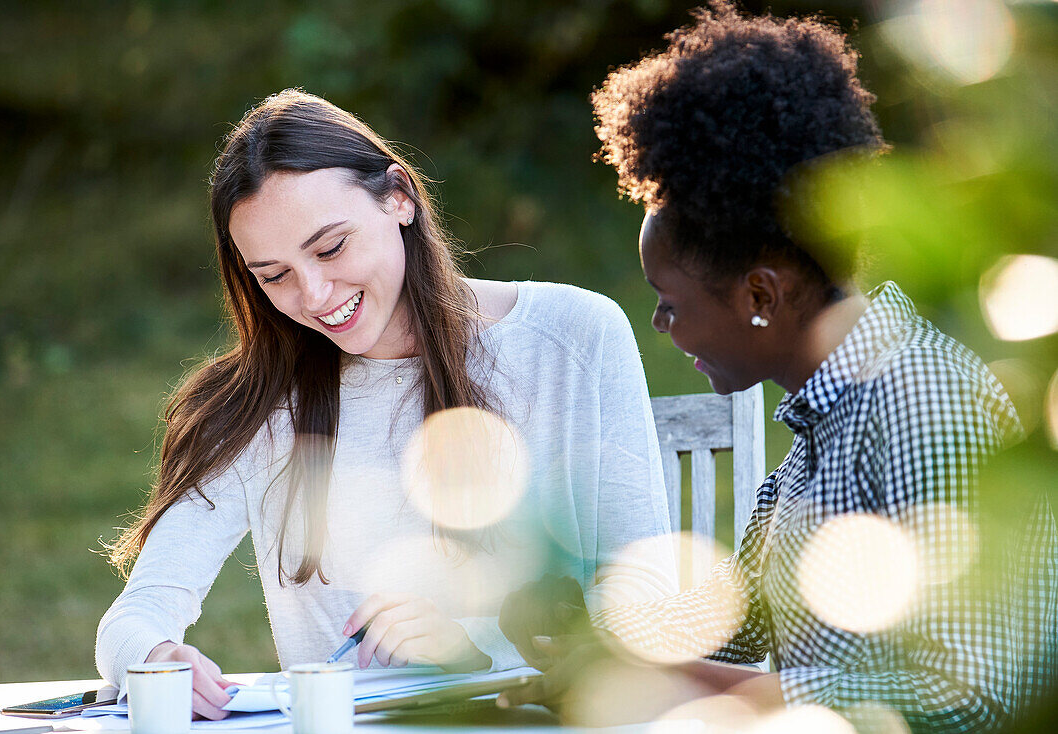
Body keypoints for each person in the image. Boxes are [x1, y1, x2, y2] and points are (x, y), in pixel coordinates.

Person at [497, 2, 1057, 731]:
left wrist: (712, 690)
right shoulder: (813, 438)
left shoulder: (922, 395)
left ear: (761, 293)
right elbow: (738, 627)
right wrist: (591, 636)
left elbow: (965, 691)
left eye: (670, 302)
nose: (661, 325)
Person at [95, 89, 677, 720]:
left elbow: (643, 601)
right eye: (273, 275)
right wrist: (152, 654)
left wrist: (467, 643)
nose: (314, 295)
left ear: (399, 197)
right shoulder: (259, 402)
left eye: (330, 248)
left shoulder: (572, 336)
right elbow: (138, 612)